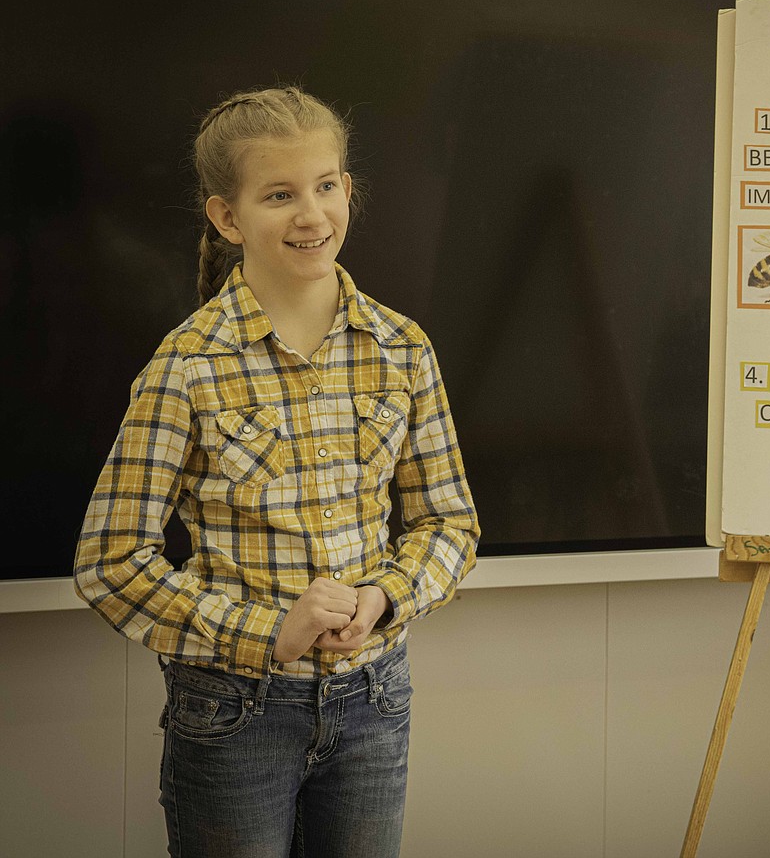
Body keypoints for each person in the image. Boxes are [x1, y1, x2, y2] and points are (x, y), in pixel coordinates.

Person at [74, 86, 479, 858]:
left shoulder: (401, 348)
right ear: (228, 218)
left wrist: (386, 593)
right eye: (279, 194)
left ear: (348, 191)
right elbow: (109, 562)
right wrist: (270, 632)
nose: (311, 214)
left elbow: (448, 522)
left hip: (375, 701)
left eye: (327, 185)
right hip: (234, 716)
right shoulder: (189, 364)